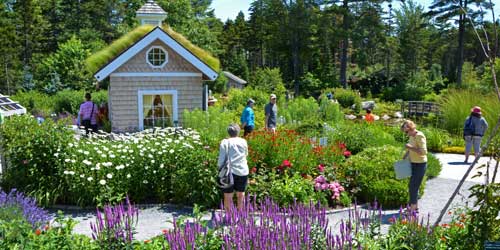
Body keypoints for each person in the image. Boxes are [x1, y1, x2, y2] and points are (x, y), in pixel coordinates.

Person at [217, 124, 249, 211]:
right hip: (242, 170)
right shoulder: (243, 141)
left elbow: (221, 159)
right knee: (241, 194)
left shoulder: (225, 142)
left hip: (228, 172)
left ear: (228, 132)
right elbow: (246, 154)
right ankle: (241, 215)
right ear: (238, 132)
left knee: (228, 195)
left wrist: (219, 169)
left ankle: (229, 217)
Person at [401, 120, 427, 212]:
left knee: (413, 187)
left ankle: (412, 210)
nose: (406, 134)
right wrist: (405, 155)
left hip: (420, 165)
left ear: (411, 128)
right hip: (413, 163)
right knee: (413, 186)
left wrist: (410, 148)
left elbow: (423, 152)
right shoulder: (412, 136)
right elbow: (410, 147)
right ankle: (415, 207)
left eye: (406, 132)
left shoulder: (419, 136)